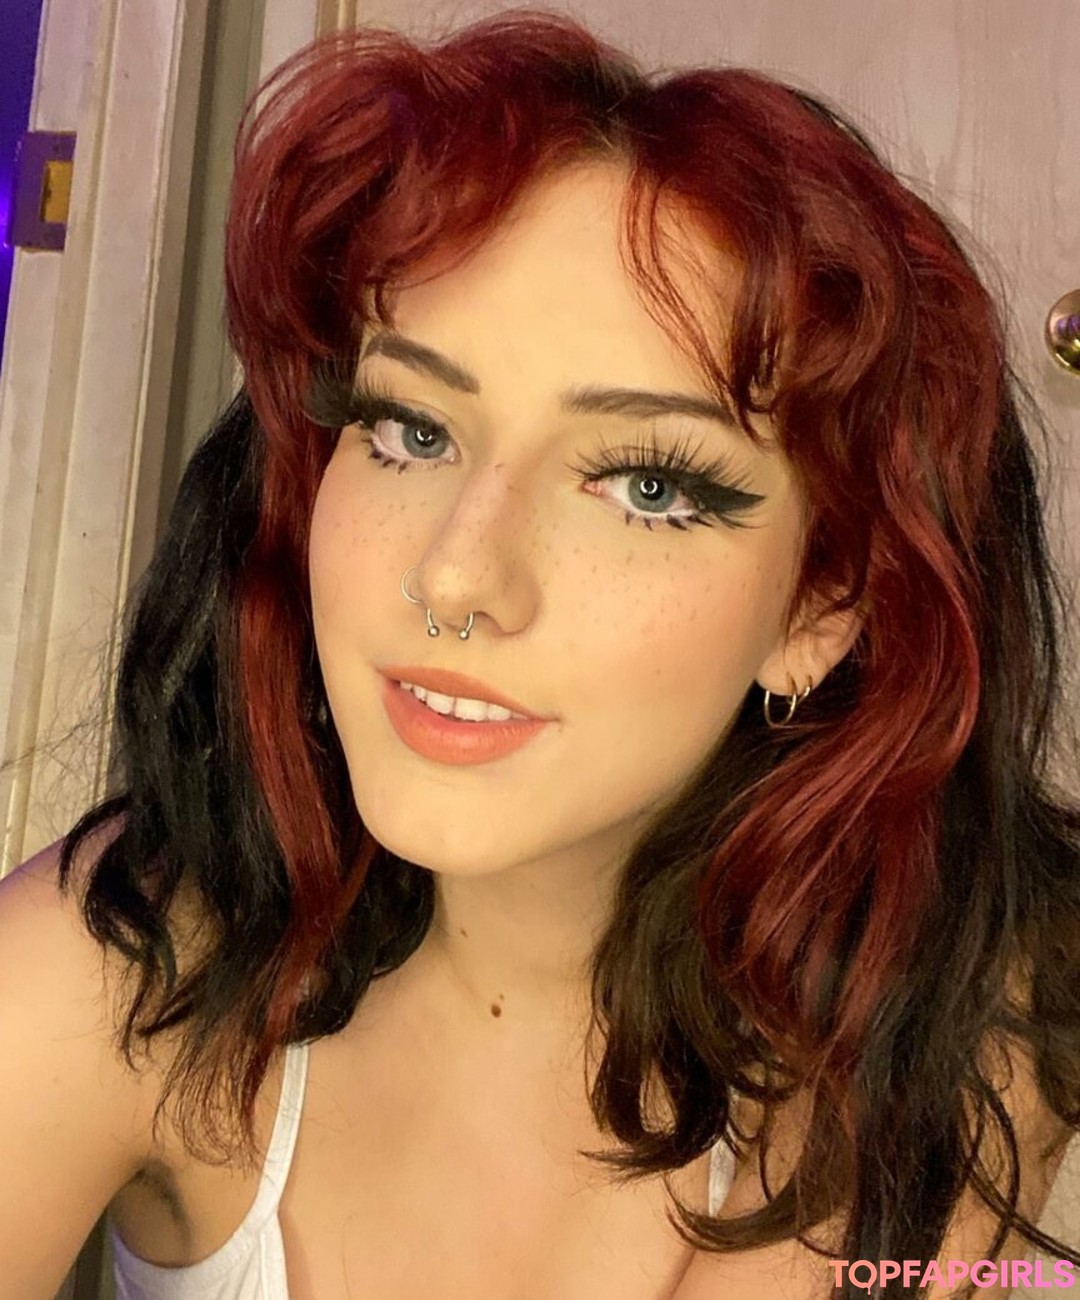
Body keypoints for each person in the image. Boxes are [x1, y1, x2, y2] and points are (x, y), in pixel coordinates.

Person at [1, 11, 1078, 1299]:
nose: (455, 576)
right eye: (410, 428)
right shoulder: (126, 962)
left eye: (646, 486)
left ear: (822, 608)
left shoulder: (977, 1010)